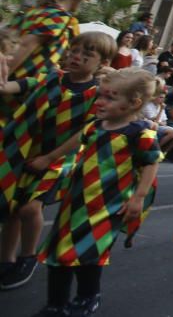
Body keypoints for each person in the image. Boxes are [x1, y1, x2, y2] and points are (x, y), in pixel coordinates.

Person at [31, 68, 161, 317]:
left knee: (89, 253)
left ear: (133, 103)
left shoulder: (139, 133)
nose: (100, 102)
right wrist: (48, 158)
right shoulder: (95, 126)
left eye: (110, 98)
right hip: (76, 202)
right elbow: (75, 142)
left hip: (107, 206)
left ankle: (87, 296)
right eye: (101, 96)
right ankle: (55, 303)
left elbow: (151, 163)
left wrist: (139, 197)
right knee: (59, 251)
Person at [0, 32, 117, 291]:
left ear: (102, 61)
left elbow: (82, 134)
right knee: (12, 208)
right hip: (26, 152)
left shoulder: (95, 94)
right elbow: (18, 86)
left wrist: (49, 158)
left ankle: (28, 256)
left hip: (60, 158)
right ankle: (5, 259)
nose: (77, 57)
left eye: (87, 55)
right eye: (75, 51)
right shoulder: (50, 78)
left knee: (29, 208)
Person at [1, 0, 115, 123]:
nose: (85, 4)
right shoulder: (59, 17)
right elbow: (25, 45)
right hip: (19, 85)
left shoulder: (35, 11)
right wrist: (3, 76)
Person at [140, 80, 173, 158]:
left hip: (161, 125)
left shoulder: (161, 106)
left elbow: (164, 121)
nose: (162, 99)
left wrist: (161, 120)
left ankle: (164, 151)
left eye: (163, 98)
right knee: (172, 132)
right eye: (160, 97)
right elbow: (155, 121)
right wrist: (161, 110)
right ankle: (155, 150)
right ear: (154, 97)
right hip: (152, 125)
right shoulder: (149, 105)